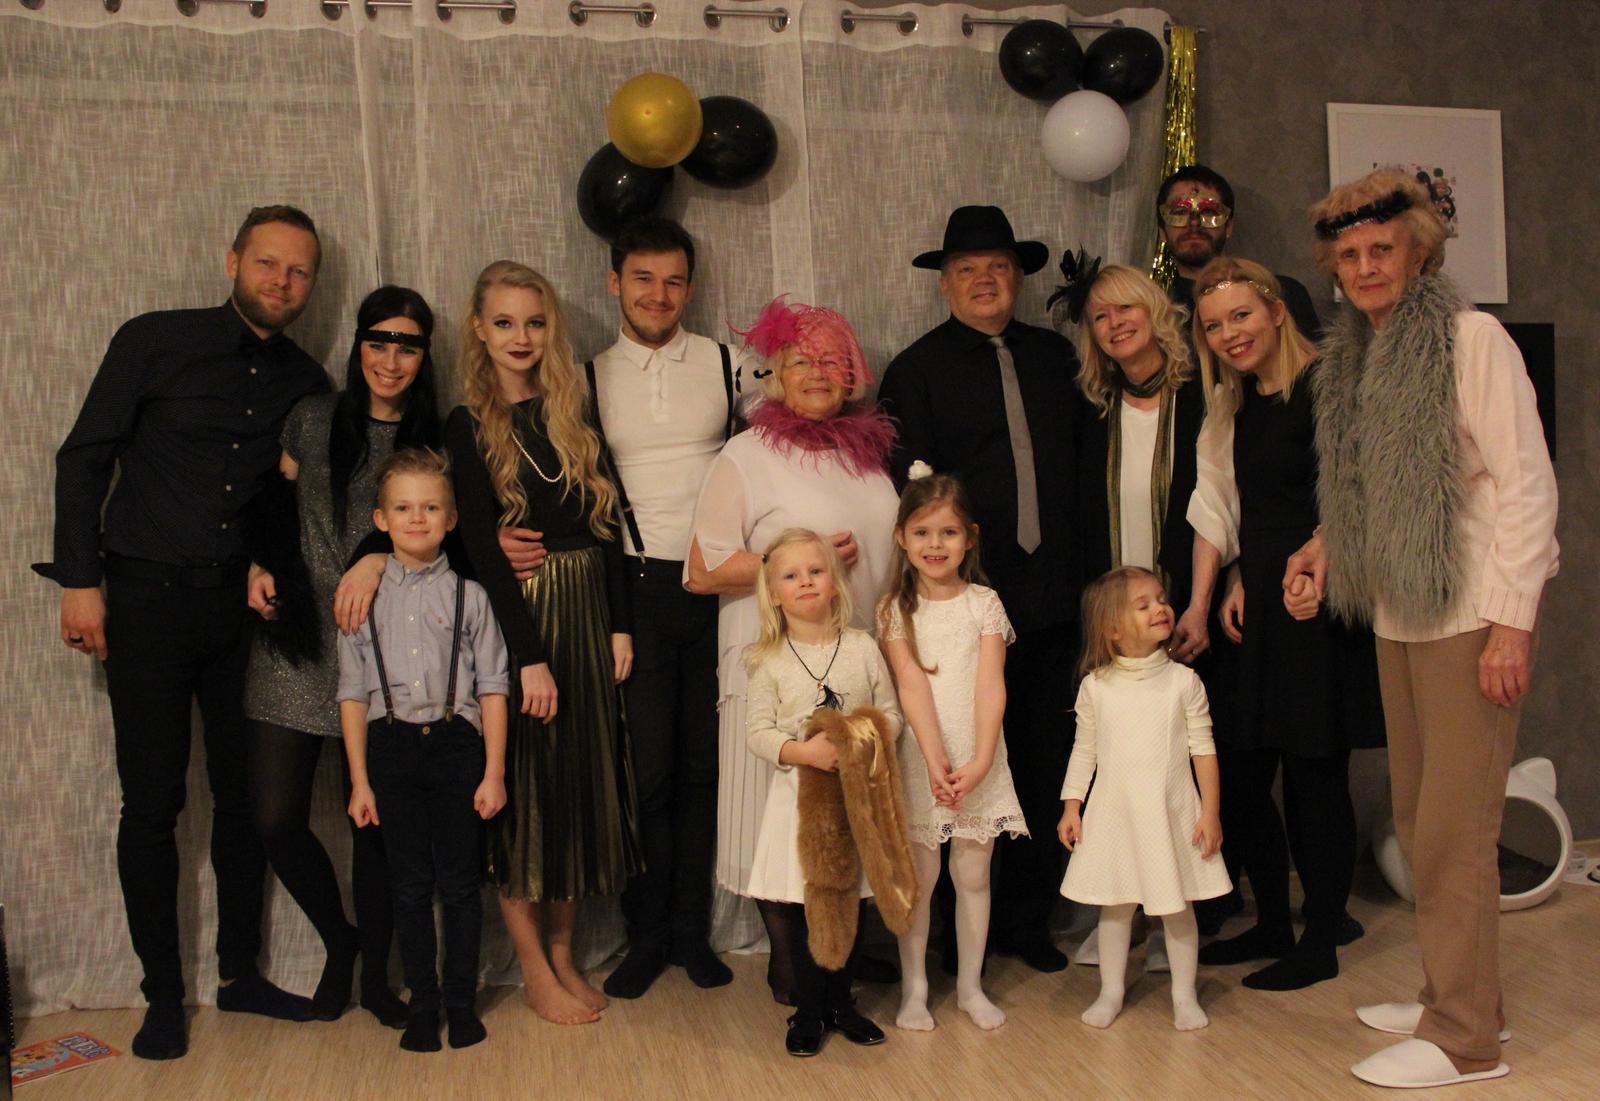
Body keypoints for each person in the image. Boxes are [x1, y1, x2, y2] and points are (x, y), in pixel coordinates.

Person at [39, 205, 330, 1060]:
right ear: (233, 259)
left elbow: (288, 502)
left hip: (238, 616)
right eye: (267, 263)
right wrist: (81, 582)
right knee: (152, 804)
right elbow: (84, 458)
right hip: (143, 602)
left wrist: (266, 564)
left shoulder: (308, 380)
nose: (281, 281)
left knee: (242, 800)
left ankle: (240, 976)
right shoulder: (154, 340)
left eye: (299, 271)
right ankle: (162, 995)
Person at [1290, 170, 1557, 1089]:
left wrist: (1512, 626)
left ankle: (1466, 1040)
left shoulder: (1470, 339)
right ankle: (1462, 994)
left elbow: (1527, 486)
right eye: (1351, 254)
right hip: (1400, 614)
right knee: (1416, 818)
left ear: (1420, 252)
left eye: (1383, 249)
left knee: (1453, 832)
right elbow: (1373, 491)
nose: (1367, 266)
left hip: (1469, 614)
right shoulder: (1361, 355)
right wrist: (1324, 547)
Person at [878, 205, 1085, 973]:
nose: (984, 280)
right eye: (967, 269)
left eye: (998, 266)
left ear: (1019, 276)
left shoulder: (1057, 357)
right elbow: (911, 495)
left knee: (1042, 754)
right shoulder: (916, 370)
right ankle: (946, 938)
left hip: (1054, 592)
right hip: (963, 605)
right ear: (945, 283)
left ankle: (1027, 922)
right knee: (957, 757)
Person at [686, 296, 899, 1005]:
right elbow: (701, 569)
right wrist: (798, 563)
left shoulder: (865, 456)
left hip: (855, 662)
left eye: (832, 360)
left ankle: (838, 957)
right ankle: (788, 962)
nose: (817, 372)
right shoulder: (746, 455)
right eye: (801, 360)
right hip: (773, 661)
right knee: (774, 817)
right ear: (775, 373)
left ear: (853, 373)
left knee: (846, 809)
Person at [445, 260, 641, 1026]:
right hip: (522, 621)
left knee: (578, 792)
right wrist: (527, 656)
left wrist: (619, 622)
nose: (520, 337)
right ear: (479, 329)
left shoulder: (573, 412)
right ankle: (531, 966)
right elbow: (479, 550)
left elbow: (609, 525)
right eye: (504, 322)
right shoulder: (466, 424)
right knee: (526, 798)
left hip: (589, 615)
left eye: (533, 322)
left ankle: (564, 955)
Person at [242, 286, 442, 1027]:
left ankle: (378, 980)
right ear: (359, 344)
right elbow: (273, 504)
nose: (391, 358)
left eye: (408, 344)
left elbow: (444, 540)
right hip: (298, 640)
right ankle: (341, 939)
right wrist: (259, 563)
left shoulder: (432, 441)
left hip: (386, 654)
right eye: (378, 340)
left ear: (424, 355)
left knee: (375, 828)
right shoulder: (313, 416)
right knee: (274, 818)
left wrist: (379, 553)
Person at [1187, 258, 1384, 991]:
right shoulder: (1235, 404)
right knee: (1243, 774)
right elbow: (1245, 509)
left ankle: (1320, 939)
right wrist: (1239, 576)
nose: (1229, 333)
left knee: (1314, 777)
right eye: (1214, 325)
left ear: (1275, 310)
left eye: (1241, 315)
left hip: (1317, 603)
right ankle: (1273, 921)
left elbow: (1361, 490)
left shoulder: (1330, 386)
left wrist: (1318, 566)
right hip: (1263, 604)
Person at [573, 218, 736, 998]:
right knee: (646, 774)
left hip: (720, 590)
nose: (658, 294)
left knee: (707, 769)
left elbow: (801, 422)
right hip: (634, 591)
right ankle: (644, 936)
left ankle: (691, 933)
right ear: (615, 282)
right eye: (642, 278)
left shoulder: (731, 364)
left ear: (690, 287)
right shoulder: (586, 377)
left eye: (673, 280)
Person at [1062, 262, 1210, 963]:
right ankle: (1130, 915)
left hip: (1188, 606)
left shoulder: (1202, 396)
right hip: (1121, 623)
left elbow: (1224, 502)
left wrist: (1206, 596)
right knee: (1123, 769)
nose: (1116, 323)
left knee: (1181, 771)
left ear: (1156, 312)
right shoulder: (1092, 411)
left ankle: (1184, 910)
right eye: (1100, 315)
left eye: (1127, 308)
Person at [337, 449, 508, 1052]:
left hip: (457, 747)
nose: (417, 518)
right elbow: (352, 693)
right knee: (409, 887)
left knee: (460, 885)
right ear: (381, 520)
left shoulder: (471, 597)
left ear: (451, 519)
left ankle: (461, 1003)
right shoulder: (362, 600)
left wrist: (494, 772)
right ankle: (422, 1003)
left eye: (431, 508)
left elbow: (493, 687)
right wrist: (360, 780)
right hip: (390, 749)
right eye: (404, 508)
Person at [742, 528, 902, 1056]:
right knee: (807, 907)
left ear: (834, 582)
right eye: (791, 576)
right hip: (797, 806)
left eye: (815, 571)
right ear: (774, 593)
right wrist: (802, 752)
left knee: (848, 902)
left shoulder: (861, 648)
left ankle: (842, 1006)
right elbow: (758, 732)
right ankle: (808, 1011)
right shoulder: (767, 659)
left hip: (854, 801)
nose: (806, 582)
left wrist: (859, 739)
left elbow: (892, 715)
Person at [879, 469, 1025, 1033]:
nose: (935, 545)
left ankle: (969, 987)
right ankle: (915, 990)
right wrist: (934, 758)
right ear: (902, 538)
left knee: (974, 875)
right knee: (920, 880)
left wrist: (981, 759)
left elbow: (991, 686)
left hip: (977, 757)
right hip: (923, 758)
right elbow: (911, 685)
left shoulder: (985, 603)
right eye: (922, 533)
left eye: (948, 532)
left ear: (969, 538)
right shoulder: (895, 609)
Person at [1057, 566, 1228, 1032]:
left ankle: (1184, 995)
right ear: (1113, 629)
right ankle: (1110, 991)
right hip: (1115, 816)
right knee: (1115, 908)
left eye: (1161, 599)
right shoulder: (1096, 686)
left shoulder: (1183, 683)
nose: (1160, 608)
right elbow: (1085, 750)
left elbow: (1204, 751)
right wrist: (1072, 806)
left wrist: (1210, 813)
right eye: (1143, 604)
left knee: (1176, 907)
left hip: (1170, 814)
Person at [1155, 165, 1321, 339]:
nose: (1194, 223)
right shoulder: (1154, 312)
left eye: (1209, 212)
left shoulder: (1284, 293)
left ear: (1229, 226)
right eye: (1180, 212)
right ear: (1162, 232)